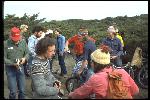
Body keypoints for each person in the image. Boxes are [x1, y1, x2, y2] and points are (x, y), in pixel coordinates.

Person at [68, 45, 139, 99]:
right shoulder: (122, 72)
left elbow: (81, 93)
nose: (91, 63)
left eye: (92, 61)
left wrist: (71, 94)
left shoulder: (96, 78)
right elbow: (136, 91)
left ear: (96, 63)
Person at [4, 27, 29, 99]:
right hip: (10, 70)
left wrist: (24, 58)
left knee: (22, 90)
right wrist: (12, 63)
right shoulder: (5, 44)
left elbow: (27, 53)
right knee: (13, 91)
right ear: (10, 36)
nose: (16, 41)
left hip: (20, 68)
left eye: (18, 39)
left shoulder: (23, 42)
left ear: (20, 36)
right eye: (14, 39)